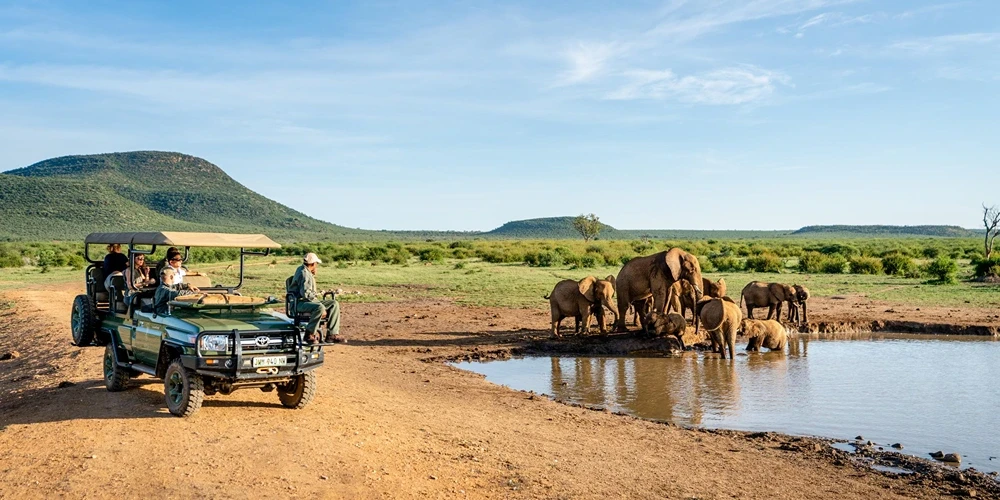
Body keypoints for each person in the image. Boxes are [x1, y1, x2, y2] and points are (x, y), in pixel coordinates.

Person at [288, 252, 344, 344]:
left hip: (305, 301)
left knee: (334, 304)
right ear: (313, 264)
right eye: (316, 264)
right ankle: (309, 334)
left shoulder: (304, 270)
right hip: (299, 303)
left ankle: (332, 334)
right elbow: (306, 295)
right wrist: (320, 305)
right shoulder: (305, 274)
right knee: (320, 307)